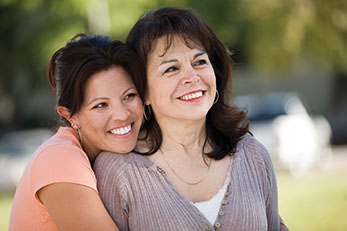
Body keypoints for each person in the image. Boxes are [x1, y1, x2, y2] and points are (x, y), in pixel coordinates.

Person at [94, 7, 288, 231]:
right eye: (171, 69)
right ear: (143, 91)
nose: (192, 77)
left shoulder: (253, 156)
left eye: (199, 62)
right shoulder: (118, 171)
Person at [9, 34, 145, 230]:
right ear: (70, 116)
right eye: (100, 105)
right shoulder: (59, 158)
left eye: (129, 96)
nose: (122, 115)